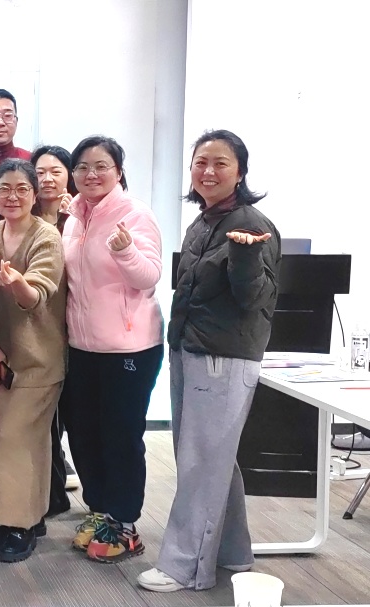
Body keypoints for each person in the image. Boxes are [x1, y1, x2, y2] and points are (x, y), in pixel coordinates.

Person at [138, 130, 280, 593]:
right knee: (213, 458)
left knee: (202, 461)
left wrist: (245, 254)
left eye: (221, 163)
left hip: (224, 357)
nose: (208, 171)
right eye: (201, 162)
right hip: (192, 349)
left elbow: (254, 299)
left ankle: (184, 566)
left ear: (240, 172)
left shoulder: (251, 224)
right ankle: (232, 553)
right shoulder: (204, 221)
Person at [59, 135, 164, 563]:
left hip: (129, 348)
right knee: (84, 433)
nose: (91, 174)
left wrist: (125, 251)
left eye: (101, 166)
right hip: (82, 346)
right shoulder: (73, 218)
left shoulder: (135, 214)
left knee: (121, 436)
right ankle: (101, 510)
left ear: (118, 171)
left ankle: (125, 523)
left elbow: (149, 276)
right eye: (82, 167)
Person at [0, 159, 67, 563]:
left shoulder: (47, 236)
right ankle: (27, 515)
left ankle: (19, 524)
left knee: (18, 438)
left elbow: (37, 295)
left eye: (21, 189)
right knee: (5, 439)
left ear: (35, 194)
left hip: (38, 358)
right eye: (4, 189)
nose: (12, 196)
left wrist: (18, 284)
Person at [29, 144, 79, 516]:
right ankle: (51, 493)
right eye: (40, 172)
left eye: (56, 171)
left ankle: (59, 488)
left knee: (69, 415)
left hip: (79, 328)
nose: (47, 179)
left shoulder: (80, 216)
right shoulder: (21, 217)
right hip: (36, 330)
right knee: (42, 418)